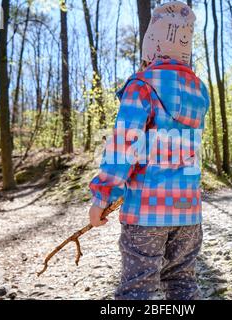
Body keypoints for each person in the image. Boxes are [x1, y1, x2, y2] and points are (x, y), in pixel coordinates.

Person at [88, 1, 209, 300]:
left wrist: (103, 196)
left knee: (137, 287)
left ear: (151, 46)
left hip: (146, 212)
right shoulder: (199, 90)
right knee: (182, 283)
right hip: (188, 212)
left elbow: (123, 146)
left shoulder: (141, 85)